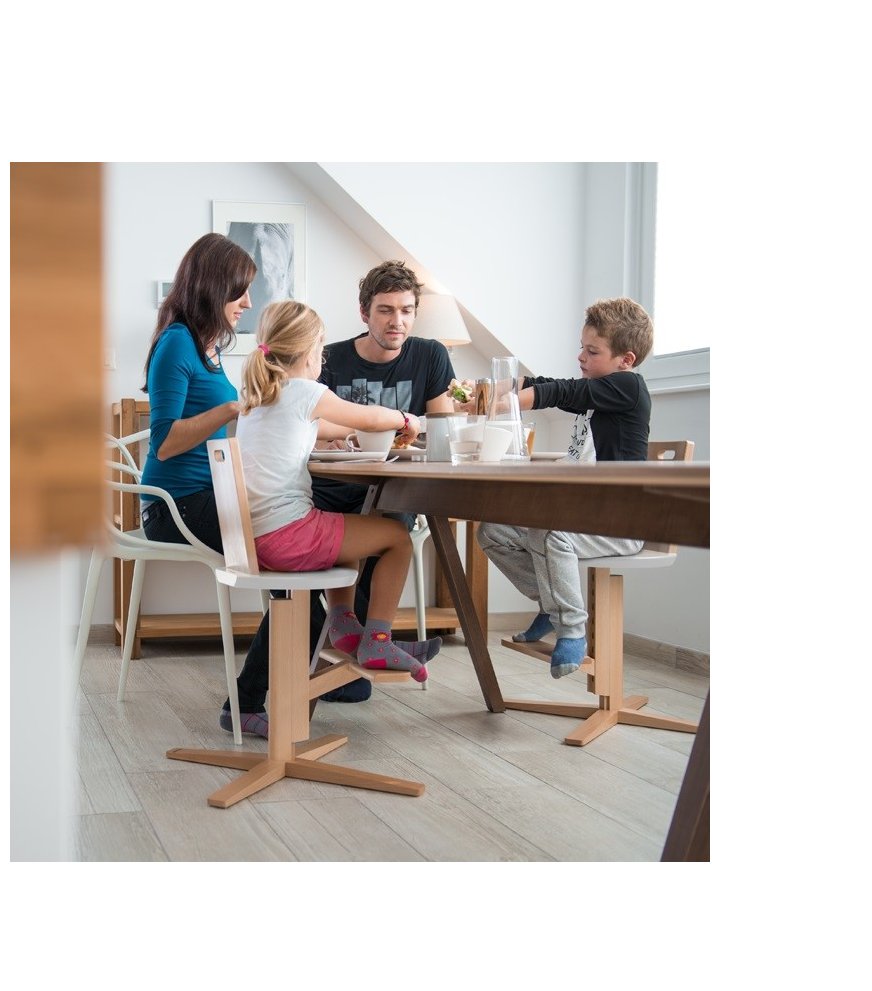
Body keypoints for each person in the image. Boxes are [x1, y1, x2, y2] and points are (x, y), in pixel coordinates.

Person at [138, 232, 326, 740]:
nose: (247, 302)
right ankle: (250, 702)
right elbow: (164, 444)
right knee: (298, 575)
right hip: (174, 507)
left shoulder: (207, 346)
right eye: (239, 291)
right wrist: (227, 410)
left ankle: (281, 691)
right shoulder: (177, 343)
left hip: (209, 497)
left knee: (301, 578)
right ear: (212, 286)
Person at [235, 300, 441, 681]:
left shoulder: (261, 397)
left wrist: (354, 435)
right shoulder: (306, 391)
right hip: (288, 537)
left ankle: (346, 626)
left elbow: (331, 427)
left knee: (349, 522)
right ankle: (378, 639)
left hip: (257, 539)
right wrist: (406, 419)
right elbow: (370, 416)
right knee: (397, 538)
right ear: (311, 352)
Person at [476, 297, 654, 678]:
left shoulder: (629, 387)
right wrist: (498, 387)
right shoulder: (601, 389)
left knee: (551, 531)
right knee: (492, 531)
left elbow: (565, 392)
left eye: (593, 351)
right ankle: (552, 602)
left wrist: (511, 402)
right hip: (587, 516)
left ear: (626, 359)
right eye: (581, 348)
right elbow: (552, 385)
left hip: (625, 523)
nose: (581, 357)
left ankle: (571, 628)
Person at [312, 259, 459, 701]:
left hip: (395, 487)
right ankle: (364, 641)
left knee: (391, 523)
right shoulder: (330, 358)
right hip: (335, 486)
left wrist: (417, 431)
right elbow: (311, 426)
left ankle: (368, 640)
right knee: (361, 528)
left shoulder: (431, 355)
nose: (398, 321)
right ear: (364, 312)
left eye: (406, 310)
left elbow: (441, 430)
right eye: (386, 310)